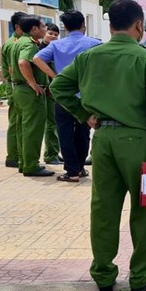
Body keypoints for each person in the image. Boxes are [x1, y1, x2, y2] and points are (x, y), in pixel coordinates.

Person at [50, 0, 146, 291]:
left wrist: (84, 114)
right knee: (145, 208)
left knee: (104, 209)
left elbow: (59, 88)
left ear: (109, 26)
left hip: (103, 141)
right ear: (138, 26)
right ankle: (142, 275)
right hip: (137, 141)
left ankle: (104, 275)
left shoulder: (90, 57)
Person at [34, 10, 101, 182]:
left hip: (63, 96)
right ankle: (80, 168)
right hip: (86, 96)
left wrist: (55, 77)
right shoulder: (95, 44)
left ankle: (71, 172)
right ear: (83, 26)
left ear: (65, 27)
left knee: (64, 133)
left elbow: (37, 59)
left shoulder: (56, 45)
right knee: (83, 132)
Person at [10, 16, 54, 177]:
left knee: (23, 127)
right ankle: (31, 165)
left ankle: (24, 162)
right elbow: (23, 63)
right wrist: (33, 83)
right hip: (29, 92)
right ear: (34, 29)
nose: (44, 29)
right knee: (33, 129)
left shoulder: (18, 41)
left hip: (20, 90)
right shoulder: (29, 44)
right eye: (42, 26)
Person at [0, 11, 26, 168]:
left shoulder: (17, 41)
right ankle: (13, 156)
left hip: (14, 86)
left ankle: (16, 155)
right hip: (15, 86)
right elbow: (12, 69)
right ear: (17, 26)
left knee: (18, 121)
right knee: (16, 122)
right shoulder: (13, 44)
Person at [38, 23, 61, 165]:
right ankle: (50, 154)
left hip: (53, 91)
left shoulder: (55, 49)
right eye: (50, 33)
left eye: (55, 34)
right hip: (45, 90)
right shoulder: (39, 50)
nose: (52, 36)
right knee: (50, 124)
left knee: (54, 123)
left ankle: (54, 152)